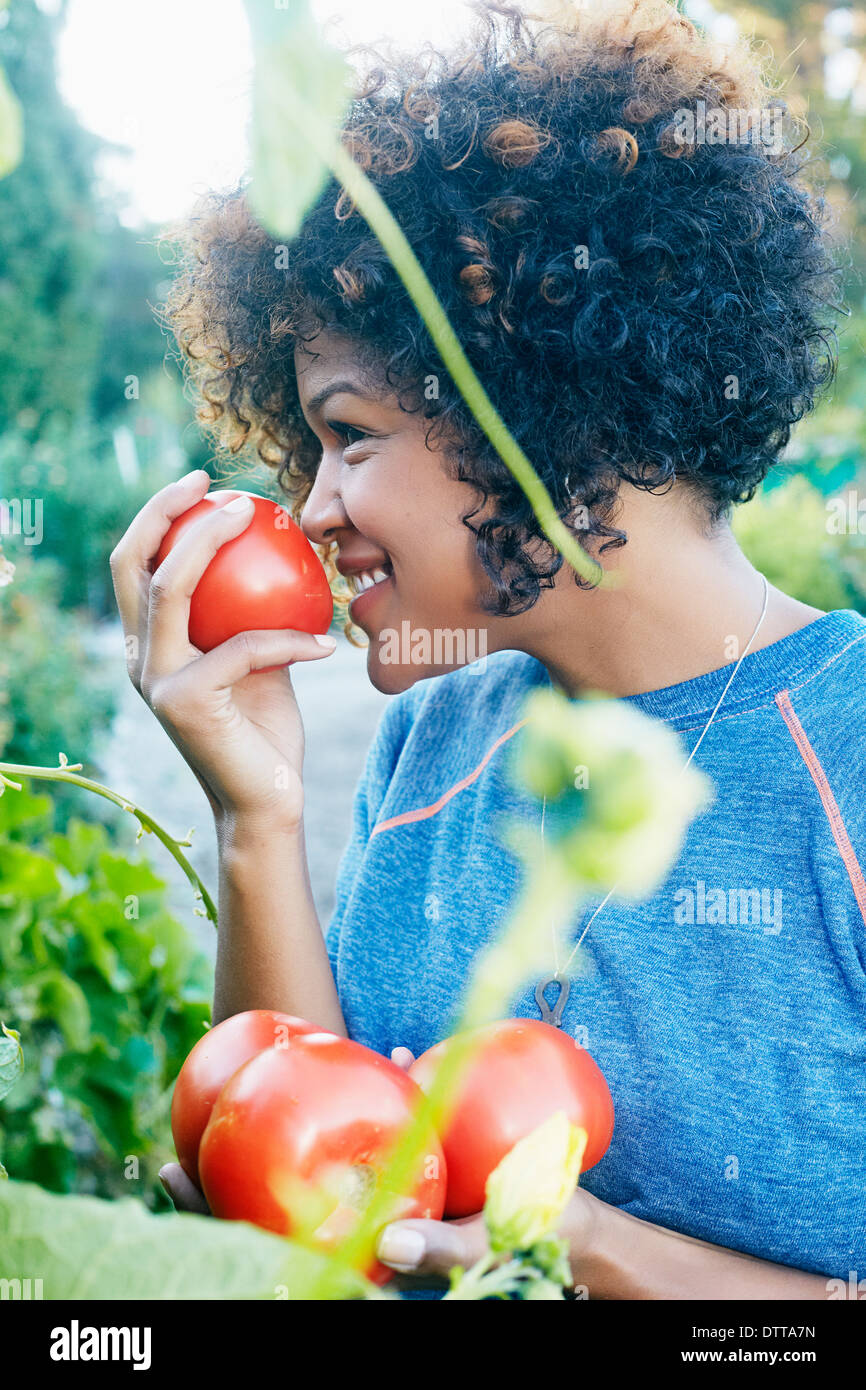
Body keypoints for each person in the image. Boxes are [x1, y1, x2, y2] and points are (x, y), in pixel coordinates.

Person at [110, 0, 865, 1296]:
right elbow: (306, 1123)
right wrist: (255, 813)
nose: (310, 512)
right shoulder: (432, 739)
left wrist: (590, 1253)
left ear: (533, 393)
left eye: (347, 435)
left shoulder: (843, 757)